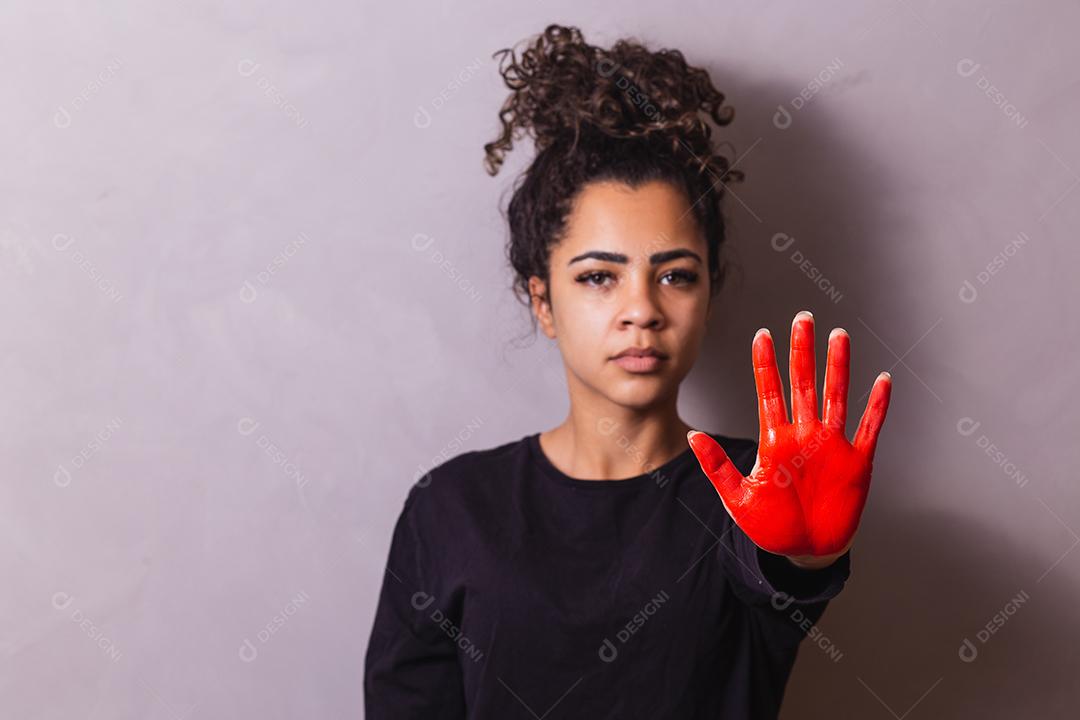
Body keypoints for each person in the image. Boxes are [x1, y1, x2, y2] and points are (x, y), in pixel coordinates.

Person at [365, 23, 892, 719]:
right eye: (598, 278)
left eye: (675, 274)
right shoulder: (452, 509)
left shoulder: (755, 491)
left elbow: (777, 576)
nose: (640, 310)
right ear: (543, 300)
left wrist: (807, 560)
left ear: (709, 295)